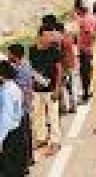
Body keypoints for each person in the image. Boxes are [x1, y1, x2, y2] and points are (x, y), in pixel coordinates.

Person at [29, 26, 62, 156]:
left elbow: (59, 70)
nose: (51, 38)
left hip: (51, 89)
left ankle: (55, 142)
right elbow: (31, 68)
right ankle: (41, 138)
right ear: (40, 36)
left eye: (51, 35)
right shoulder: (32, 50)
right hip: (37, 89)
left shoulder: (54, 50)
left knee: (53, 116)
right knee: (38, 114)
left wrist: (57, 89)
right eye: (48, 36)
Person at [7, 44, 34, 169]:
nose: (8, 56)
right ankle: (29, 158)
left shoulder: (22, 68)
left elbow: (20, 88)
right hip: (24, 106)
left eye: (9, 54)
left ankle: (26, 162)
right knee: (26, 134)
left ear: (14, 55)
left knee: (23, 136)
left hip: (21, 107)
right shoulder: (23, 64)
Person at [0, 60, 26, 176]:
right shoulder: (16, 87)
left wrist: (0, 139)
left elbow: (6, 118)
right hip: (18, 130)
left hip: (8, 134)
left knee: (9, 169)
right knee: (17, 166)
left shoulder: (5, 92)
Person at [74, 0, 96, 104]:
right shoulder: (91, 17)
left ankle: (86, 95)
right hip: (90, 49)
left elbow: (91, 33)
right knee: (88, 72)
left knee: (85, 73)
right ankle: (88, 92)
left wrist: (86, 46)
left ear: (79, 9)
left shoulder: (85, 20)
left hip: (86, 50)